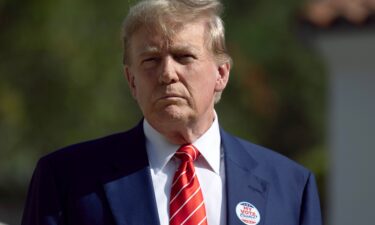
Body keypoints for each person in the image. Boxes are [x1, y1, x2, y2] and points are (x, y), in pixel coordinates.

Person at [21, 0, 322, 224]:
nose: (167, 73)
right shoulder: (66, 180)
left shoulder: (290, 187)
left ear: (221, 73)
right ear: (131, 80)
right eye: (151, 60)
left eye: (183, 56)